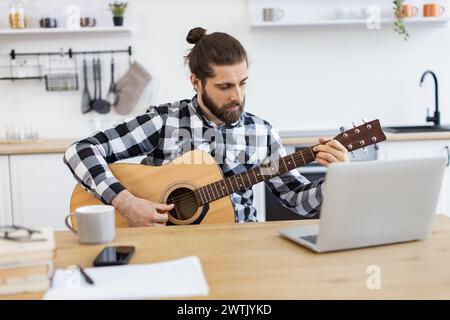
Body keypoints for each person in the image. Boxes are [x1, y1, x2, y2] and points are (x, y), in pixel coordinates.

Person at [64, 27, 349, 227]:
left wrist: (337, 180)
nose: (237, 96)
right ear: (196, 82)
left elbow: (297, 200)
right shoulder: (164, 122)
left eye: (243, 83)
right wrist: (126, 203)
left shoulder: (262, 134)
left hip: (241, 246)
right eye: (225, 86)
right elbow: (80, 151)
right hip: (170, 247)